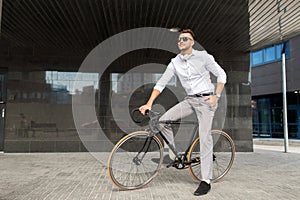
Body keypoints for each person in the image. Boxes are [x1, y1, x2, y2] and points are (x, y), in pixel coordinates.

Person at [139, 29, 226, 196]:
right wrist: (149, 103)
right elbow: (161, 83)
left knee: (205, 137)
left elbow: (221, 75)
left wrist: (217, 95)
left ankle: (206, 180)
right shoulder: (175, 62)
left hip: (207, 101)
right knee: (163, 121)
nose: (181, 41)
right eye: (180, 39)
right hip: (190, 100)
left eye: (185, 39)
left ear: (192, 42)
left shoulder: (204, 57)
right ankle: (172, 155)